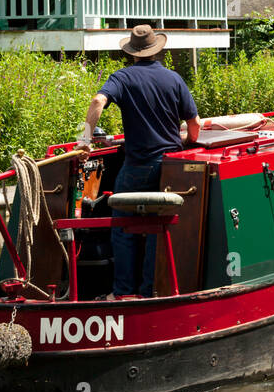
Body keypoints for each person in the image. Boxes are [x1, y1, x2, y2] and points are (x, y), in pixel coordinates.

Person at [81, 25, 201, 299]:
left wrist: (83, 140)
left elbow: (97, 101)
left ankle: (122, 292)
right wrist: (187, 143)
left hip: (136, 167)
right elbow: (194, 125)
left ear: (132, 53)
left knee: (123, 229)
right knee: (158, 229)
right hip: (170, 169)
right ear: (156, 50)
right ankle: (150, 291)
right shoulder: (174, 79)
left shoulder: (122, 78)